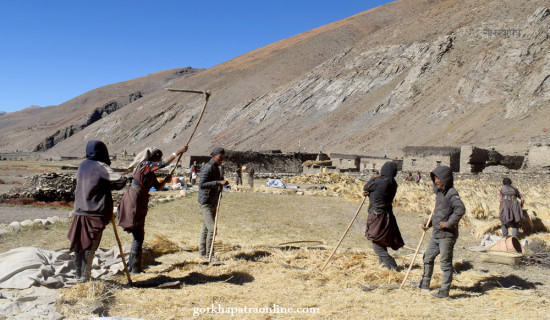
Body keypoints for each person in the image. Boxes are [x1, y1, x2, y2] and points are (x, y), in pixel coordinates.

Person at [118, 145, 188, 273]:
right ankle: (135, 268)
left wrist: (165, 181)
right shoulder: (145, 165)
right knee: (138, 234)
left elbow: (158, 187)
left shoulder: (150, 173)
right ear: (154, 158)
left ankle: (134, 266)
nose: (157, 163)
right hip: (135, 199)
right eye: (157, 160)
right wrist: (177, 151)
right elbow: (163, 164)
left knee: (139, 234)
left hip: (141, 200)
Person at [67, 140, 127, 282]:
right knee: (90, 245)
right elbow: (121, 181)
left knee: (79, 243)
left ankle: (78, 274)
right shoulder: (101, 166)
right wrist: (108, 184)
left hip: (79, 210)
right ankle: (84, 277)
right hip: (95, 212)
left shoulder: (82, 165)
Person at [412, 166, 465, 298]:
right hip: (436, 234)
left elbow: (460, 209)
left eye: (438, 178)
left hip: (447, 235)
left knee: (445, 263)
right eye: (434, 178)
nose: (436, 181)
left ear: (445, 179)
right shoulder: (440, 193)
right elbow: (438, 213)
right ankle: (424, 284)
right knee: (427, 258)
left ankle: (444, 291)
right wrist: (428, 223)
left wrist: (448, 224)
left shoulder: (452, 193)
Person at [363, 162, 404, 271]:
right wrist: (371, 194)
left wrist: (373, 177)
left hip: (377, 214)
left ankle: (392, 266)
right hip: (387, 214)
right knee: (381, 239)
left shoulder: (378, 181)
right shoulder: (393, 183)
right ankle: (383, 266)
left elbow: (366, 187)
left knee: (376, 240)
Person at [198, 147, 229, 261]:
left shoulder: (218, 168)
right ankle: (209, 255)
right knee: (212, 228)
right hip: (205, 202)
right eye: (220, 157)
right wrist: (218, 182)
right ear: (214, 156)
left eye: (223, 158)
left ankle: (202, 253)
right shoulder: (208, 167)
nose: (222, 160)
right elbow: (202, 184)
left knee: (206, 228)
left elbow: (217, 184)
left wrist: (220, 185)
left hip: (213, 201)